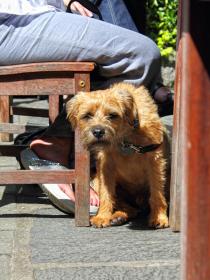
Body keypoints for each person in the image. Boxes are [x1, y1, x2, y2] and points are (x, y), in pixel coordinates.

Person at [0, 0, 171, 207]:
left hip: (36, 8)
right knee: (140, 54)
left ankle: (78, 144)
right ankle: (61, 143)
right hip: (11, 18)